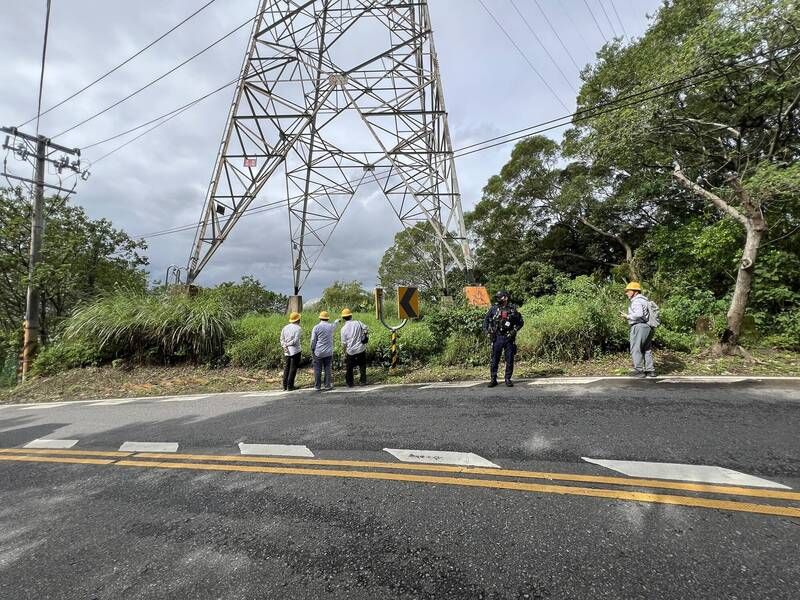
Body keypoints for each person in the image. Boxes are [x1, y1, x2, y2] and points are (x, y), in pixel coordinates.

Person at [483, 290, 524, 387]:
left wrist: (514, 331)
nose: (498, 299)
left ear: (505, 297)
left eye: (500, 297)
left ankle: (507, 379)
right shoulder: (494, 309)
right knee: (494, 359)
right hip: (497, 337)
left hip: (509, 338)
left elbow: (520, 322)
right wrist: (487, 332)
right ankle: (493, 379)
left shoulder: (512, 309)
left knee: (509, 359)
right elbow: (486, 321)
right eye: (498, 297)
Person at [620, 281, 656, 378]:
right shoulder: (645, 300)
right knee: (646, 349)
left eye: (628, 291)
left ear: (635, 291)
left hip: (639, 326)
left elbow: (639, 314)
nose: (626, 293)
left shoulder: (636, 301)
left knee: (636, 348)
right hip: (648, 327)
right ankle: (650, 371)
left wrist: (627, 316)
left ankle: (639, 371)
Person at [339, 308, 368, 387]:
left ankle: (350, 383)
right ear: (351, 316)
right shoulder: (358, 323)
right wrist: (364, 334)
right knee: (362, 365)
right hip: (361, 348)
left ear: (343, 318)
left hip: (350, 351)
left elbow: (344, 343)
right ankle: (363, 381)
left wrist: (344, 352)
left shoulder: (343, 329)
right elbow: (366, 328)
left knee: (349, 368)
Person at [310, 311, 338, 390]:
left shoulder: (316, 327)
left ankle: (317, 386)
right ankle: (327, 385)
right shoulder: (330, 326)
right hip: (328, 352)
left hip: (318, 352)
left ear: (320, 318)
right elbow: (335, 325)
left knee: (317, 369)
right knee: (327, 368)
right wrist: (337, 321)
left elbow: (313, 340)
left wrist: (312, 349)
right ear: (327, 318)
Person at [280, 312, 302, 390]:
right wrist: (289, 344)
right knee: (293, 368)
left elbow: (281, 339)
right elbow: (295, 341)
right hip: (295, 351)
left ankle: (284, 386)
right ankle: (290, 386)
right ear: (298, 319)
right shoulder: (298, 328)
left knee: (287, 368)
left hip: (286, 351)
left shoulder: (285, 327)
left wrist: (285, 345)